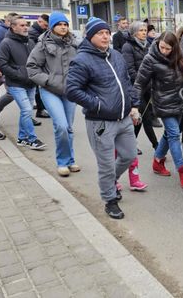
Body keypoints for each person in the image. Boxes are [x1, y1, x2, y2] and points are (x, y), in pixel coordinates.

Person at [66, 17, 141, 219]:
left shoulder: (115, 55)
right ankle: (110, 199)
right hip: (100, 122)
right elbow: (72, 90)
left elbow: (126, 81)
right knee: (106, 164)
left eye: (107, 32)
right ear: (90, 36)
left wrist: (134, 104)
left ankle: (110, 180)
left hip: (124, 118)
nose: (105, 36)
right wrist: (98, 105)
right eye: (100, 33)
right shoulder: (81, 60)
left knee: (129, 155)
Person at [134, 32, 183, 188]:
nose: (164, 51)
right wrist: (135, 105)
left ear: (174, 48)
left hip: (180, 101)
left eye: (167, 48)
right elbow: (139, 83)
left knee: (169, 133)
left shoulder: (180, 56)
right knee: (173, 134)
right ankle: (182, 171)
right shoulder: (150, 59)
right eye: (161, 47)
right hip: (163, 103)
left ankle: (157, 161)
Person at [26, 12, 81, 177]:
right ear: (52, 26)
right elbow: (32, 68)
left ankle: (70, 160)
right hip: (50, 90)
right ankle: (62, 162)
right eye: (59, 24)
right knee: (61, 126)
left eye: (65, 24)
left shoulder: (75, 44)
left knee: (69, 128)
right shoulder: (42, 44)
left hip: (70, 91)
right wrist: (47, 81)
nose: (63, 27)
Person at [0, 16, 46, 150]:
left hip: (30, 83)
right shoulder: (6, 43)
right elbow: (2, 64)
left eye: (26, 25)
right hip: (15, 83)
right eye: (22, 25)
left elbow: (36, 60)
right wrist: (19, 75)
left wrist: (36, 74)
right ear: (13, 27)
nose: (26, 28)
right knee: (26, 110)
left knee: (26, 112)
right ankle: (32, 139)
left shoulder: (30, 41)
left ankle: (22, 138)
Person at [122, 20, 158, 177]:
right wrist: (142, 81)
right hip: (136, 87)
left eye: (145, 30)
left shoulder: (148, 45)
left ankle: (133, 143)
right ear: (134, 32)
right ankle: (156, 146)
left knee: (142, 118)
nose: (144, 32)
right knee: (144, 117)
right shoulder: (128, 46)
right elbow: (129, 69)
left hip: (149, 87)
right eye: (141, 30)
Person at [0, 13, 21, 121]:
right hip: (7, 67)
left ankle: (26, 117)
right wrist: (4, 65)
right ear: (9, 22)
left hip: (18, 68)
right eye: (16, 23)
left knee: (22, 92)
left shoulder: (15, 32)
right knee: (11, 93)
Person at [28, 13, 51, 119]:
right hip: (36, 64)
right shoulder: (33, 33)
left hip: (38, 63)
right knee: (37, 89)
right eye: (45, 25)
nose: (46, 28)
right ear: (39, 21)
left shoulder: (39, 32)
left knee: (37, 89)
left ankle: (41, 109)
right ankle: (39, 110)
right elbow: (34, 51)